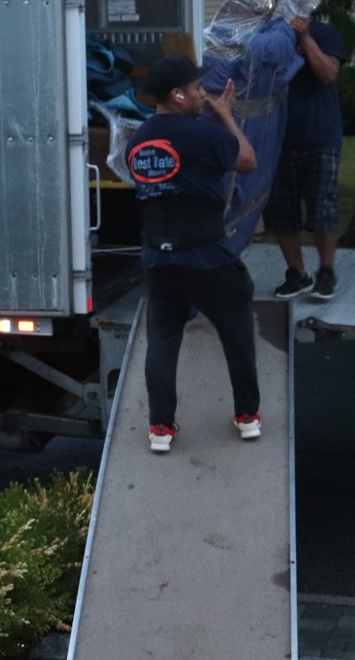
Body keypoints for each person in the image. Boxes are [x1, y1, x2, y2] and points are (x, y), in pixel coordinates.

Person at [127, 54, 261, 454]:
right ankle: (247, 416)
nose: (205, 95)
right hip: (207, 257)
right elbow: (248, 161)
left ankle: (160, 427)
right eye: (198, 88)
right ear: (177, 94)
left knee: (162, 340)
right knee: (236, 331)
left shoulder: (137, 142)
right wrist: (227, 117)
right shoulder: (202, 135)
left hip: (158, 259)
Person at [266, 0, 350, 301]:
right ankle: (297, 273)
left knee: (322, 207)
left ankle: (326, 272)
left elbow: (328, 74)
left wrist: (304, 36)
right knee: (282, 211)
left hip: (320, 134)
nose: (281, 5)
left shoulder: (325, 33)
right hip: (279, 136)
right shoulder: (266, 36)